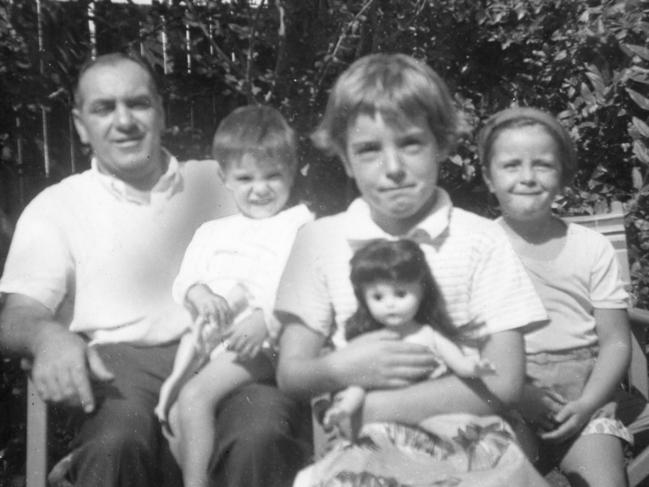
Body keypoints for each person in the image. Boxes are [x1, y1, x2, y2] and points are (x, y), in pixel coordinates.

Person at [0, 52, 308, 487]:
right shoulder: (57, 207)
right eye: (104, 108)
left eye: (138, 103)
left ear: (160, 111)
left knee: (259, 434)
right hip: (123, 364)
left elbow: (309, 254)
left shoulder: (227, 180)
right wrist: (47, 334)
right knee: (116, 441)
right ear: (79, 125)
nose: (124, 121)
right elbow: (18, 314)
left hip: (231, 352)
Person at [275, 52, 551, 486]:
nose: (393, 168)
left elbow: (506, 381)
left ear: (440, 143)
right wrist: (344, 367)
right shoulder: (320, 240)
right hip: (366, 449)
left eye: (410, 143)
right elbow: (292, 373)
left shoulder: (479, 239)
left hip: (471, 442)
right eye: (368, 150)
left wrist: (376, 406)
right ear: (345, 160)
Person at [154, 105, 313, 487]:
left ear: (291, 172)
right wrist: (201, 294)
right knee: (176, 418)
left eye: (272, 176)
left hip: (266, 346)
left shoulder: (298, 225)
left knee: (194, 398)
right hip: (214, 344)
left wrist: (265, 319)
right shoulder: (213, 232)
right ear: (224, 178)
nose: (260, 189)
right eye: (245, 178)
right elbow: (187, 279)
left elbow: (304, 285)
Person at [479, 106, 634, 487]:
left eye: (543, 165)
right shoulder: (478, 246)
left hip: (583, 398)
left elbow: (615, 340)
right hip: (505, 398)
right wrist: (517, 393)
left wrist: (586, 406)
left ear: (562, 176)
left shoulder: (591, 247)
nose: (528, 177)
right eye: (511, 165)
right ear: (488, 177)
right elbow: (465, 338)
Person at [323, 238, 495, 435]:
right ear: (364, 299)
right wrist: (343, 408)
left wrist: (475, 367)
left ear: (421, 292)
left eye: (400, 294)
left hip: (434, 408)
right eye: (378, 297)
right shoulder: (373, 341)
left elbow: (459, 363)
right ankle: (343, 411)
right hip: (386, 412)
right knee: (358, 391)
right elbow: (358, 384)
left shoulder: (429, 334)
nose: (390, 304)